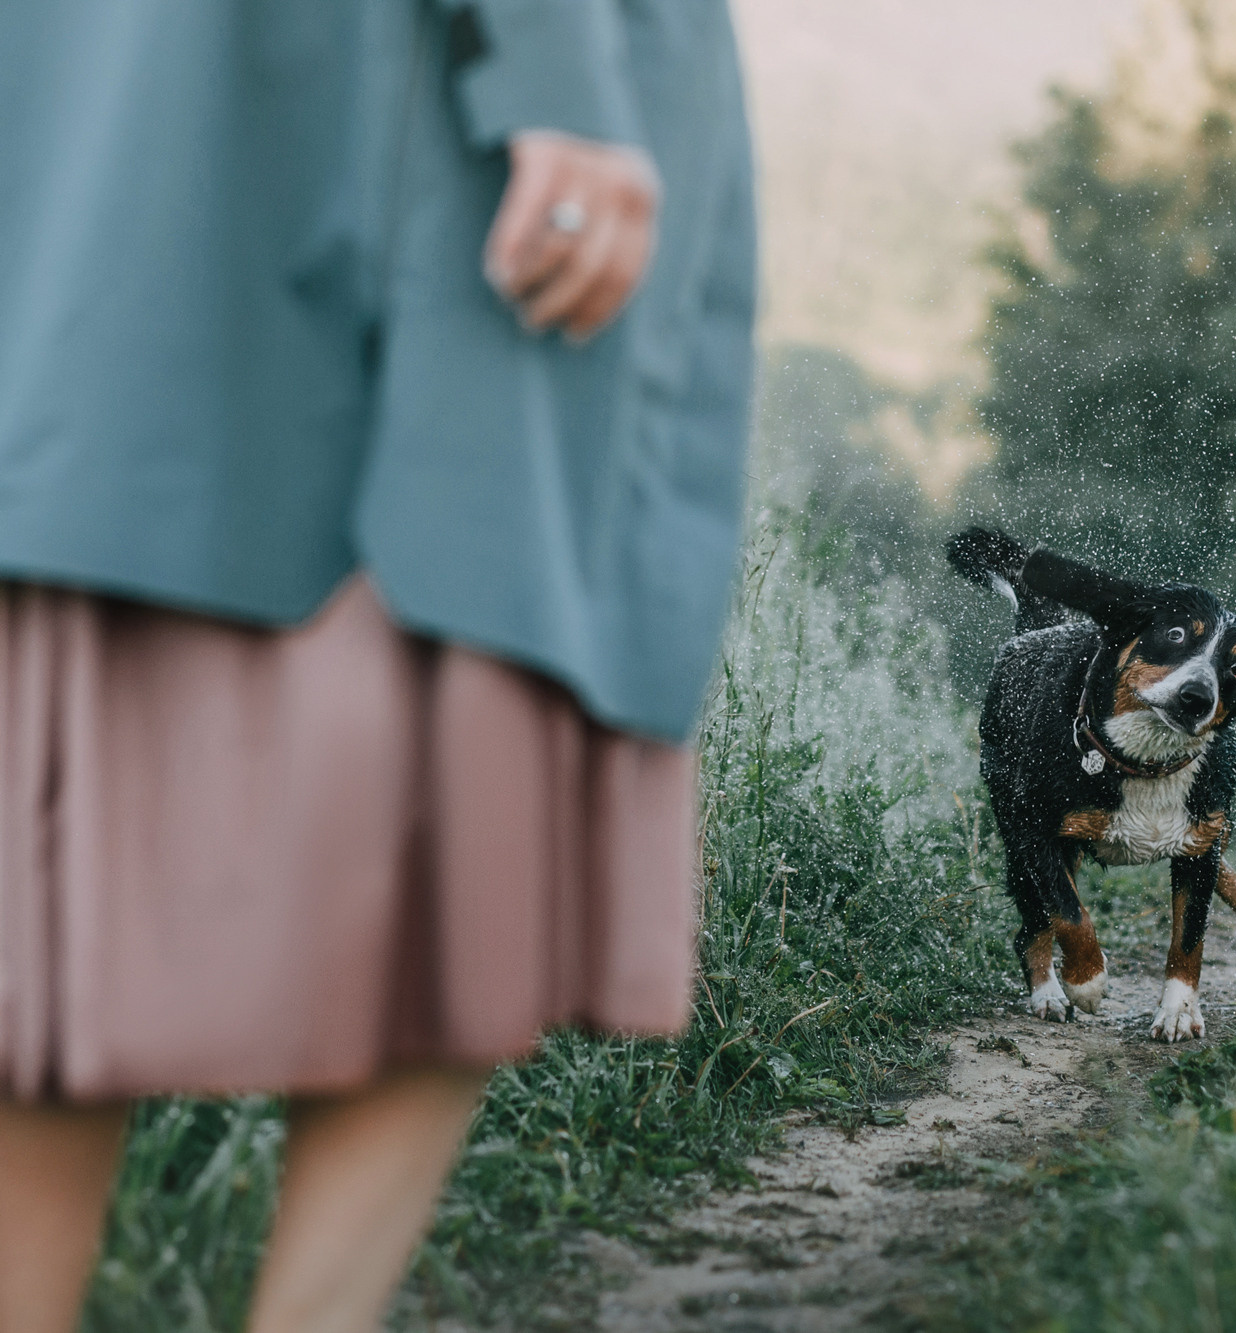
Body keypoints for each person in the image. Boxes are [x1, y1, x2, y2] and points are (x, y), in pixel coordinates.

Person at [0, 2, 755, 1329]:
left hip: (114, 108)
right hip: (387, 108)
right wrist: (562, 70)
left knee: (95, 812)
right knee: (448, 762)